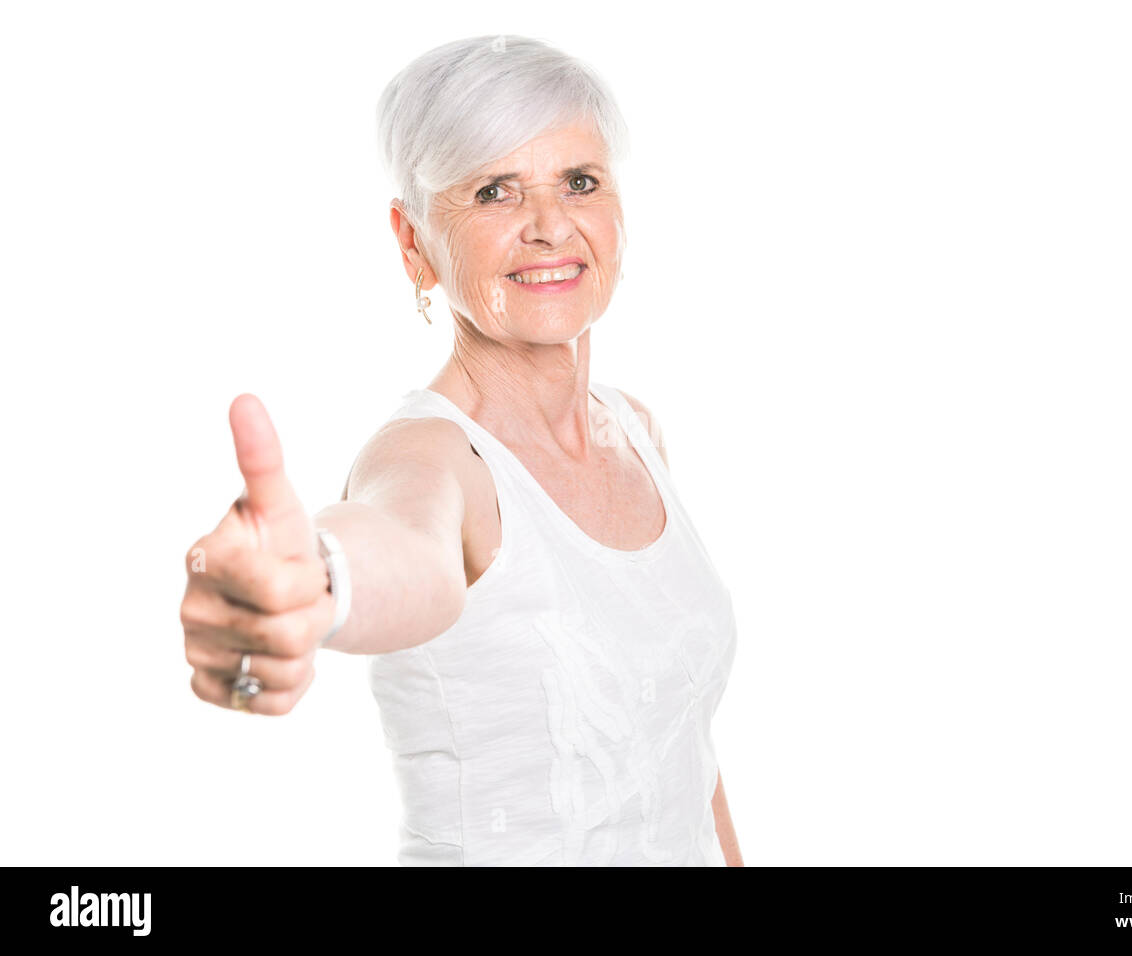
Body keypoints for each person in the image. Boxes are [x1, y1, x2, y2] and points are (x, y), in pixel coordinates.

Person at [179, 34, 741, 866]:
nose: (550, 226)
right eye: (494, 192)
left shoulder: (637, 430)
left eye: (579, 182)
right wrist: (315, 584)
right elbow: (402, 540)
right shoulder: (435, 458)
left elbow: (684, 754)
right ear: (414, 244)